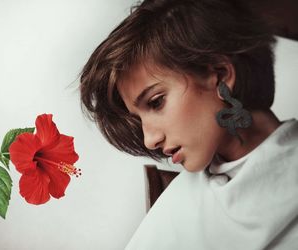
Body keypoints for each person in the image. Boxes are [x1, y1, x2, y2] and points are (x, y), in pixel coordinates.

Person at [79, 0, 298, 249]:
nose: (149, 139)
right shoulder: (178, 207)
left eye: (156, 102)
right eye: (139, 118)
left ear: (221, 74)